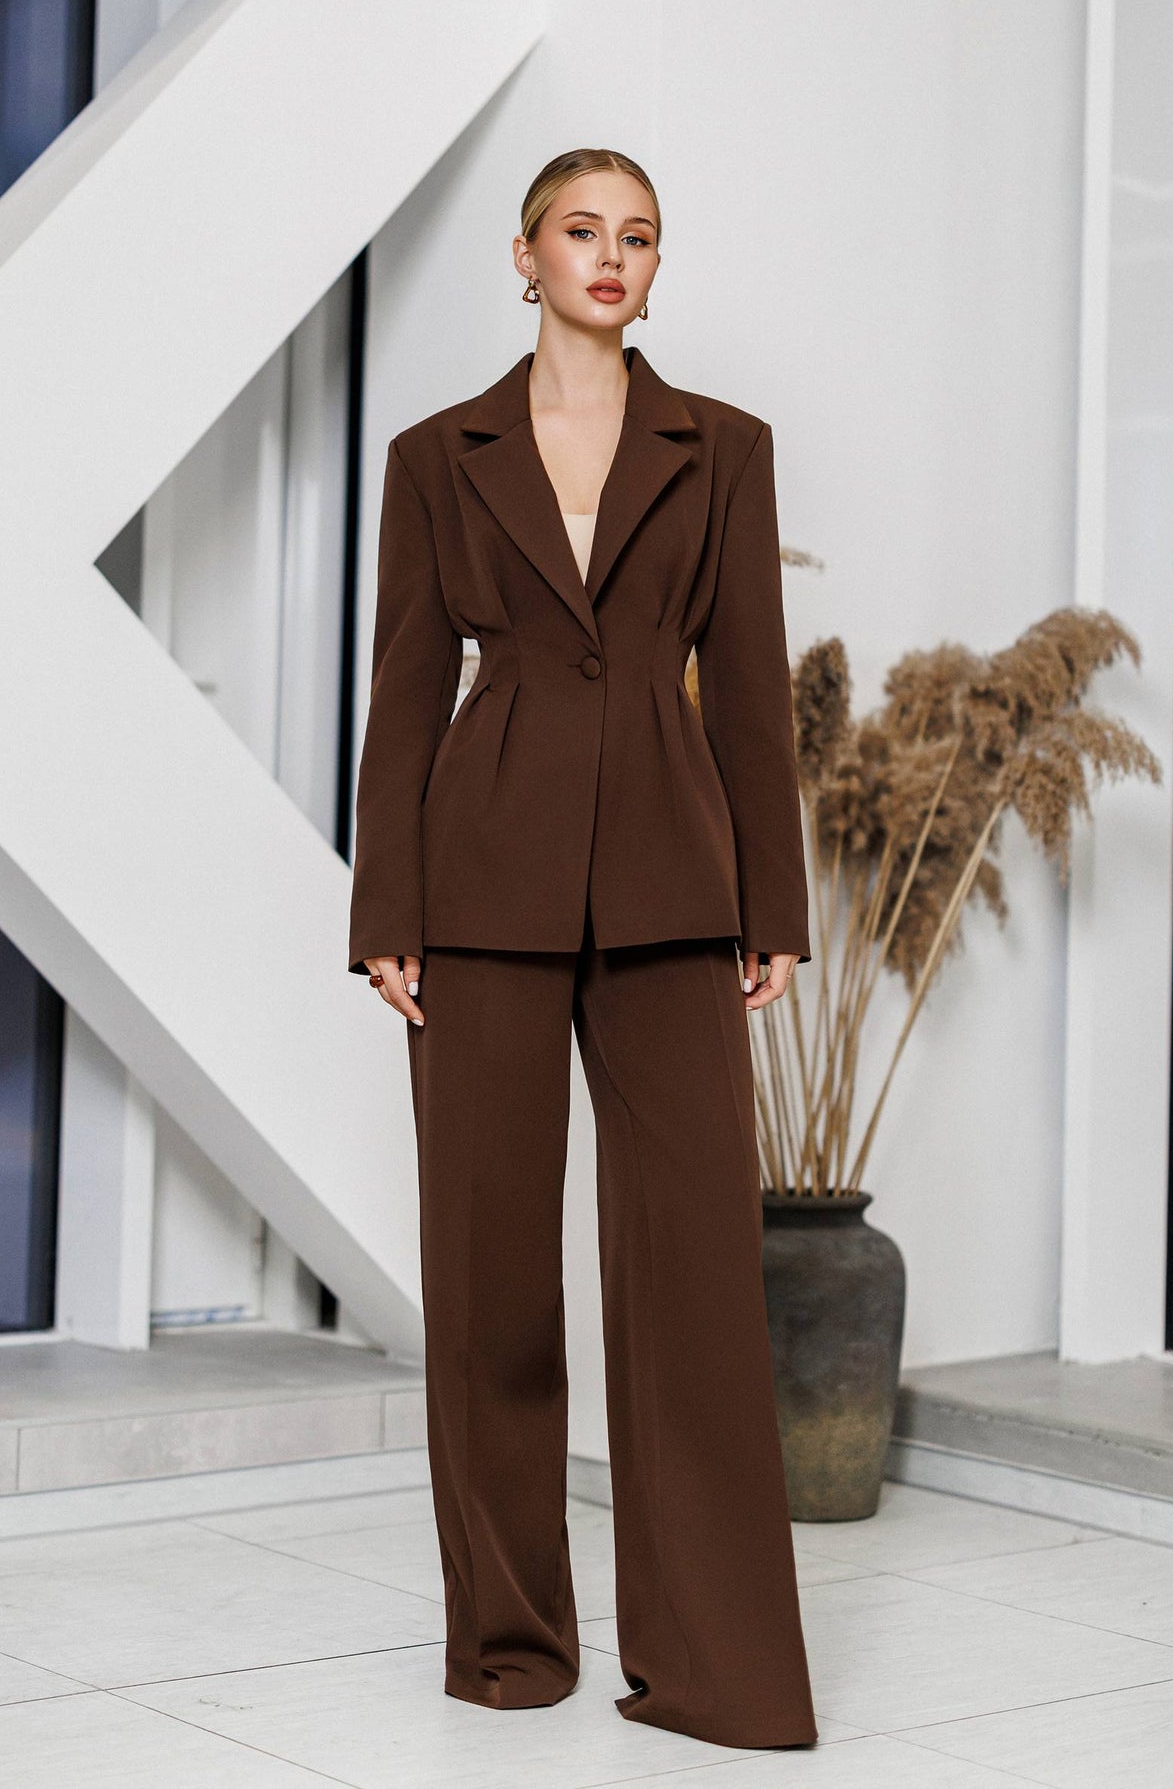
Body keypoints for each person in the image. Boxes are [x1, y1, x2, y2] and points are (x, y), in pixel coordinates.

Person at [348, 147, 818, 1750]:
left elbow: (746, 687)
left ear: (653, 268)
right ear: (525, 255)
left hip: (676, 887)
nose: (610, 256)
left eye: (638, 237)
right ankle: (510, 1644)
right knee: (487, 1280)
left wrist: (772, 906)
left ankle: (713, 1667)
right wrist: (385, 911)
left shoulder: (724, 447)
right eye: (580, 231)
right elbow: (405, 689)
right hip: (476, 887)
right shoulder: (436, 455)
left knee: (693, 1278)